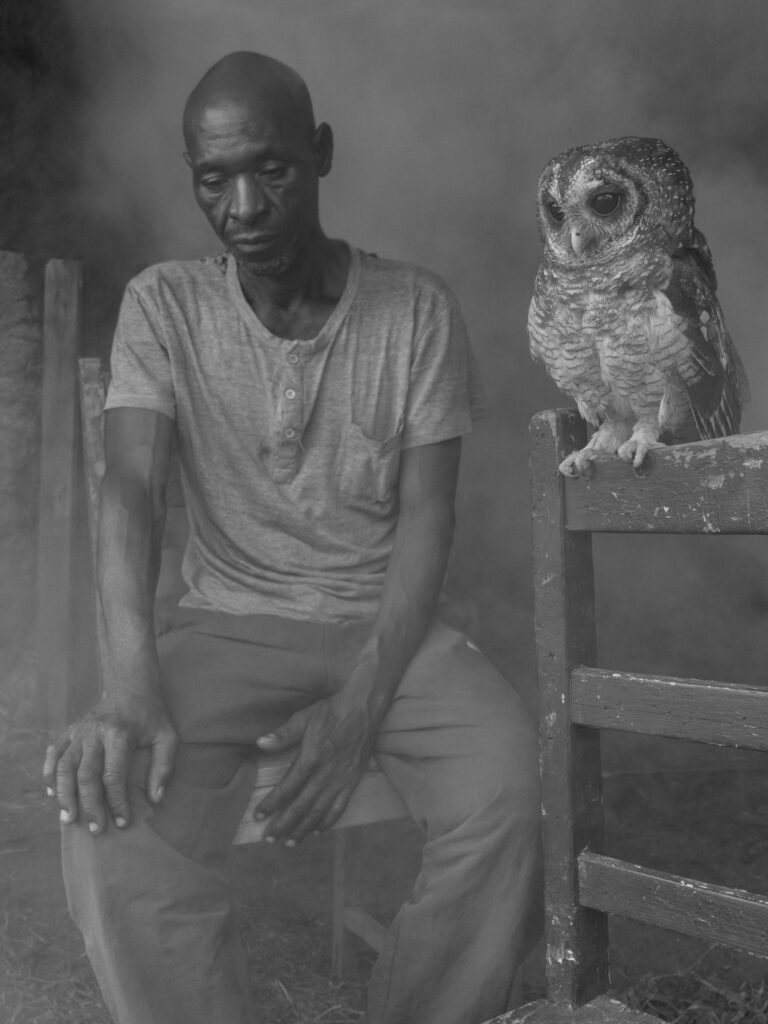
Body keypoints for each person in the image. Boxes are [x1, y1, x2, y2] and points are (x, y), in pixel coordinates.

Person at [43, 51, 542, 1024]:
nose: (242, 205)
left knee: (509, 784)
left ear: (318, 155)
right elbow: (132, 491)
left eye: (269, 168)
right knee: (106, 815)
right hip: (229, 629)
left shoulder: (417, 311)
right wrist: (130, 687)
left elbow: (426, 524)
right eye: (212, 178)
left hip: (388, 630)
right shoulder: (164, 303)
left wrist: (358, 708)